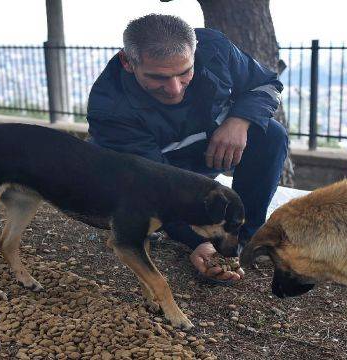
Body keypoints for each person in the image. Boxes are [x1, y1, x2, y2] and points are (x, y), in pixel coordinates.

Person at [86, 14, 287, 283]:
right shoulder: (109, 108)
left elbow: (266, 83)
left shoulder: (216, 47)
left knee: (271, 135)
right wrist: (197, 241)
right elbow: (152, 185)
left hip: (207, 151)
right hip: (146, 170)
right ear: (127, 62)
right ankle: (201, 240)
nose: (174, 89)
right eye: (158, 77)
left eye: (185, 73)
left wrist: (239, 121)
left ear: (195, 52)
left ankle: (243, 236)